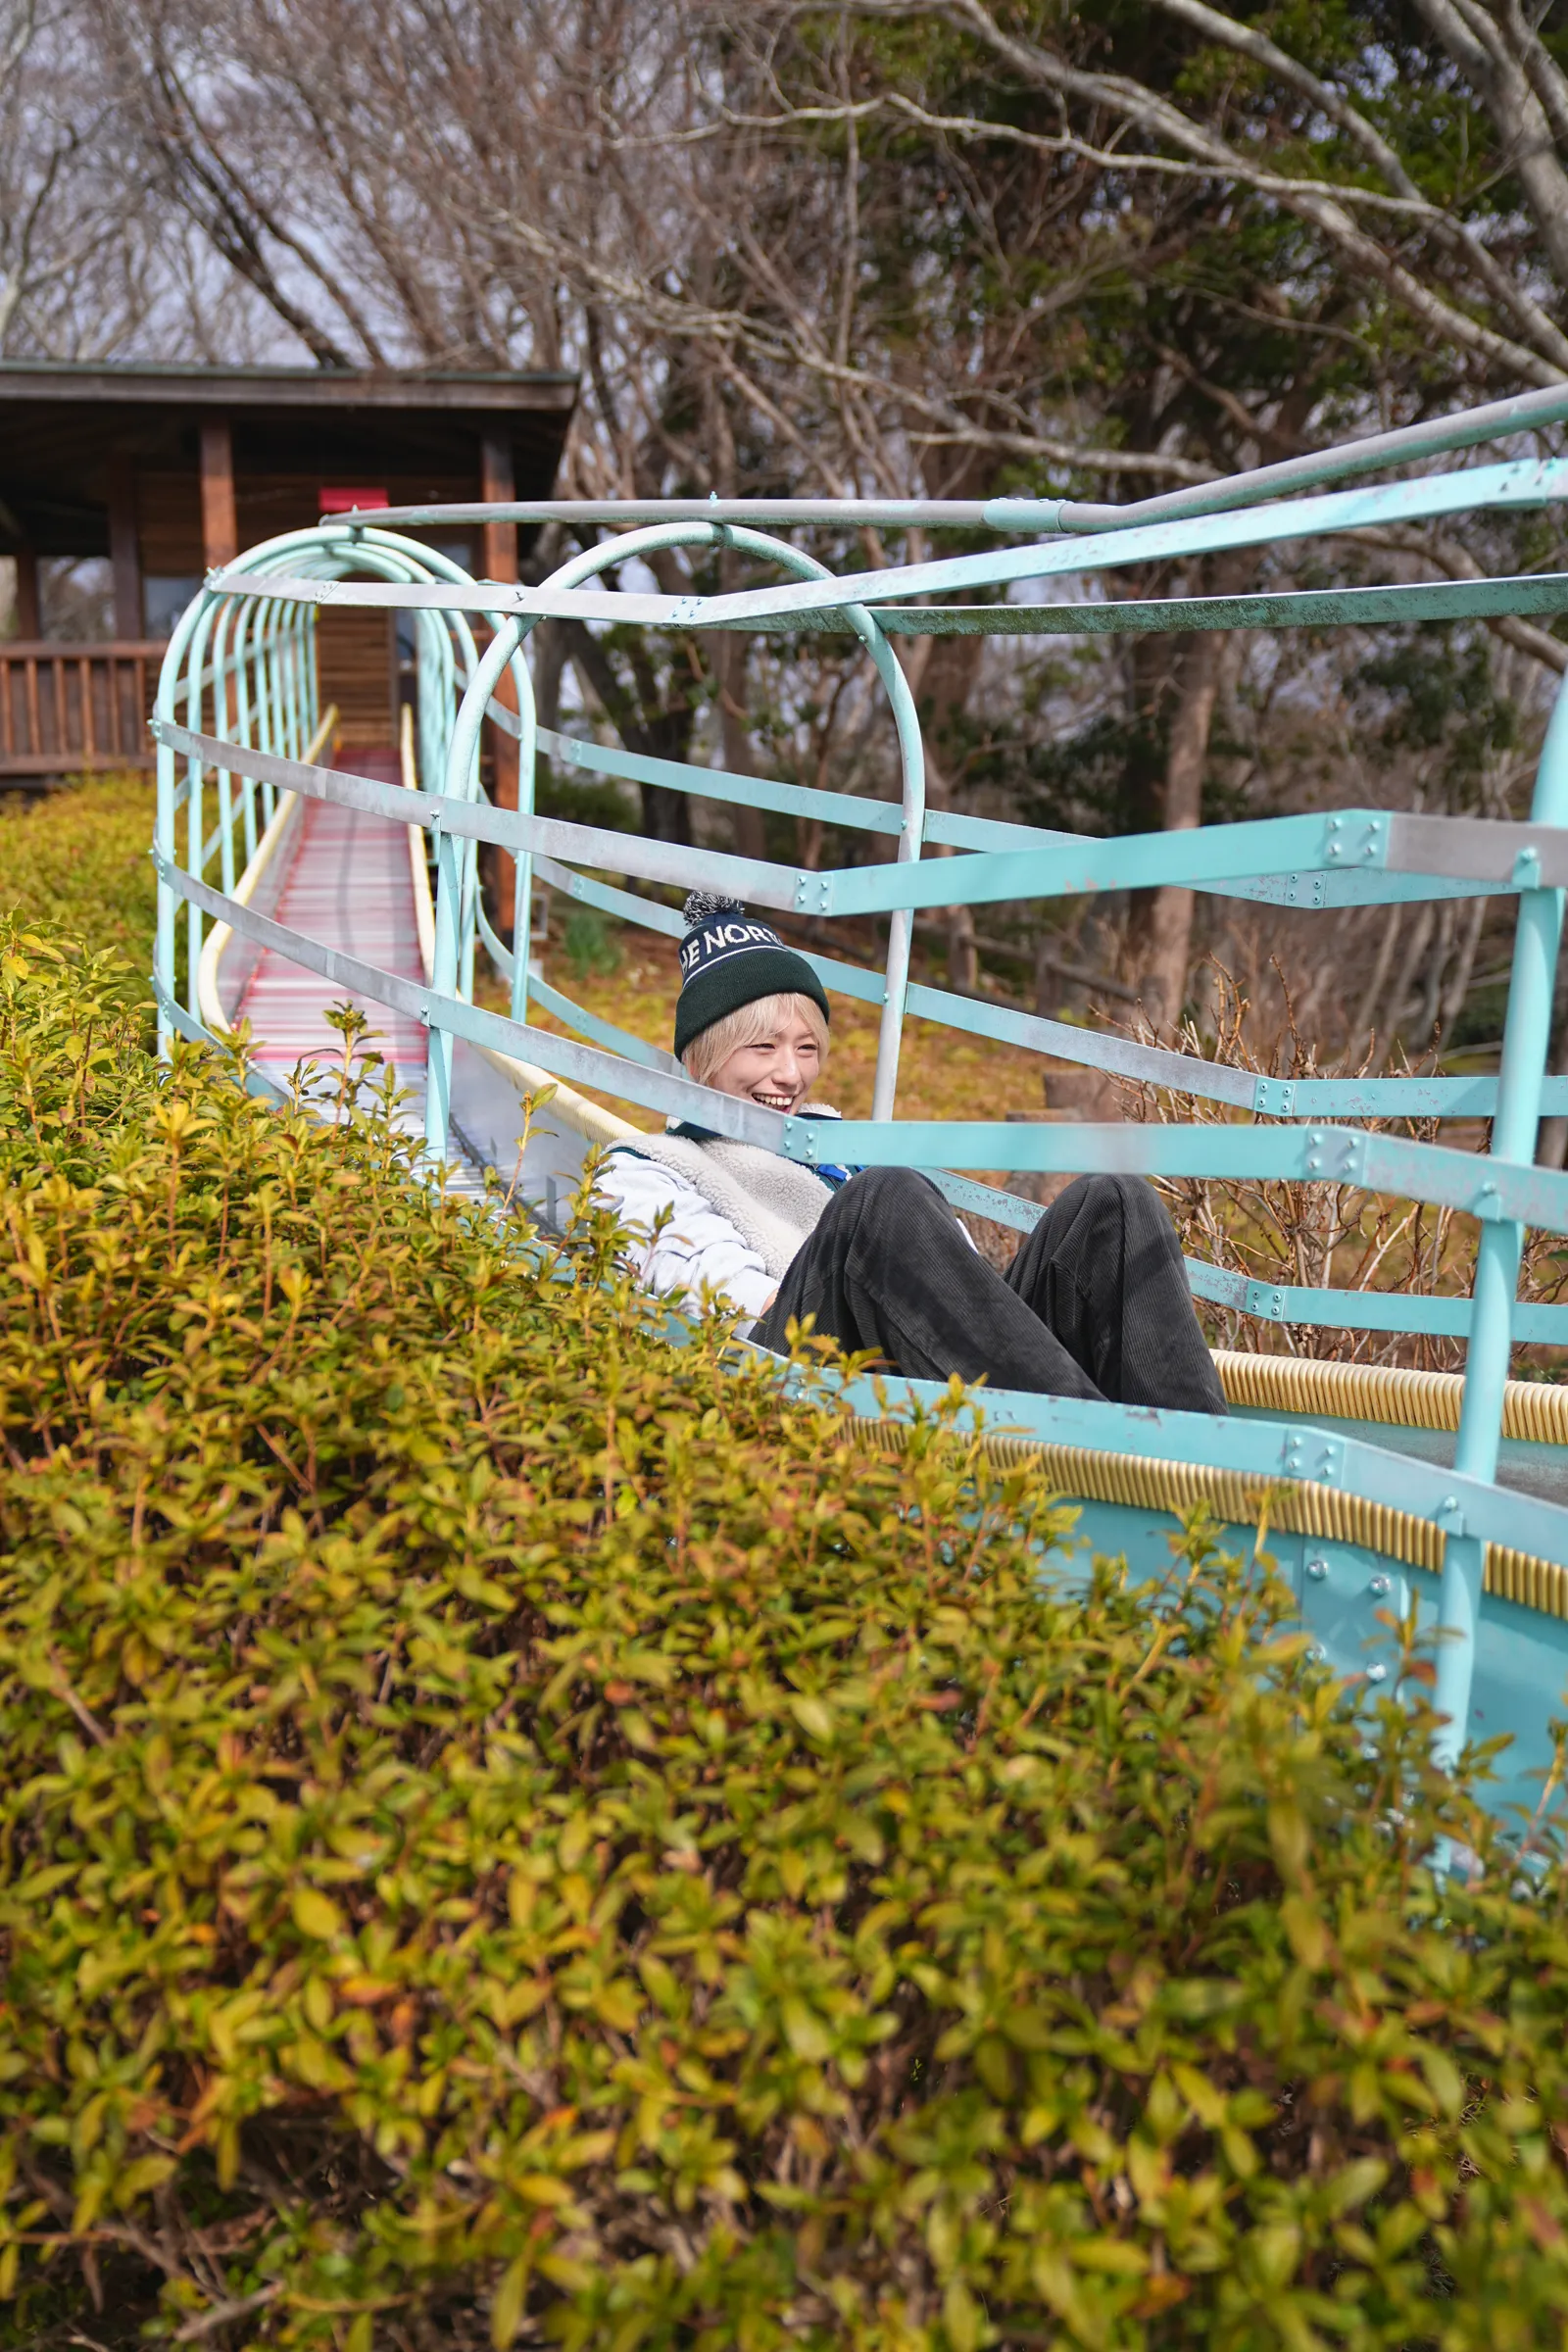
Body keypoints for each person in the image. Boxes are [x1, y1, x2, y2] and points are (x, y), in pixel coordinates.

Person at [592, 892, 1227, 1413]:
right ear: (700, 1056)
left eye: (807, 1048)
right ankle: (1089, 1455)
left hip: (928, 1356)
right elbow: (725, 1312)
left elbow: (968, 1283)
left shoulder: (843, 1150)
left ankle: (1201, 1467)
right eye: (762, 1048)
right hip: (791, 1376)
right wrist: (867, 1249)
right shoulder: (649, 1170)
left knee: (1114, 1204)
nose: (790, 1074)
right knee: (884, 1197)